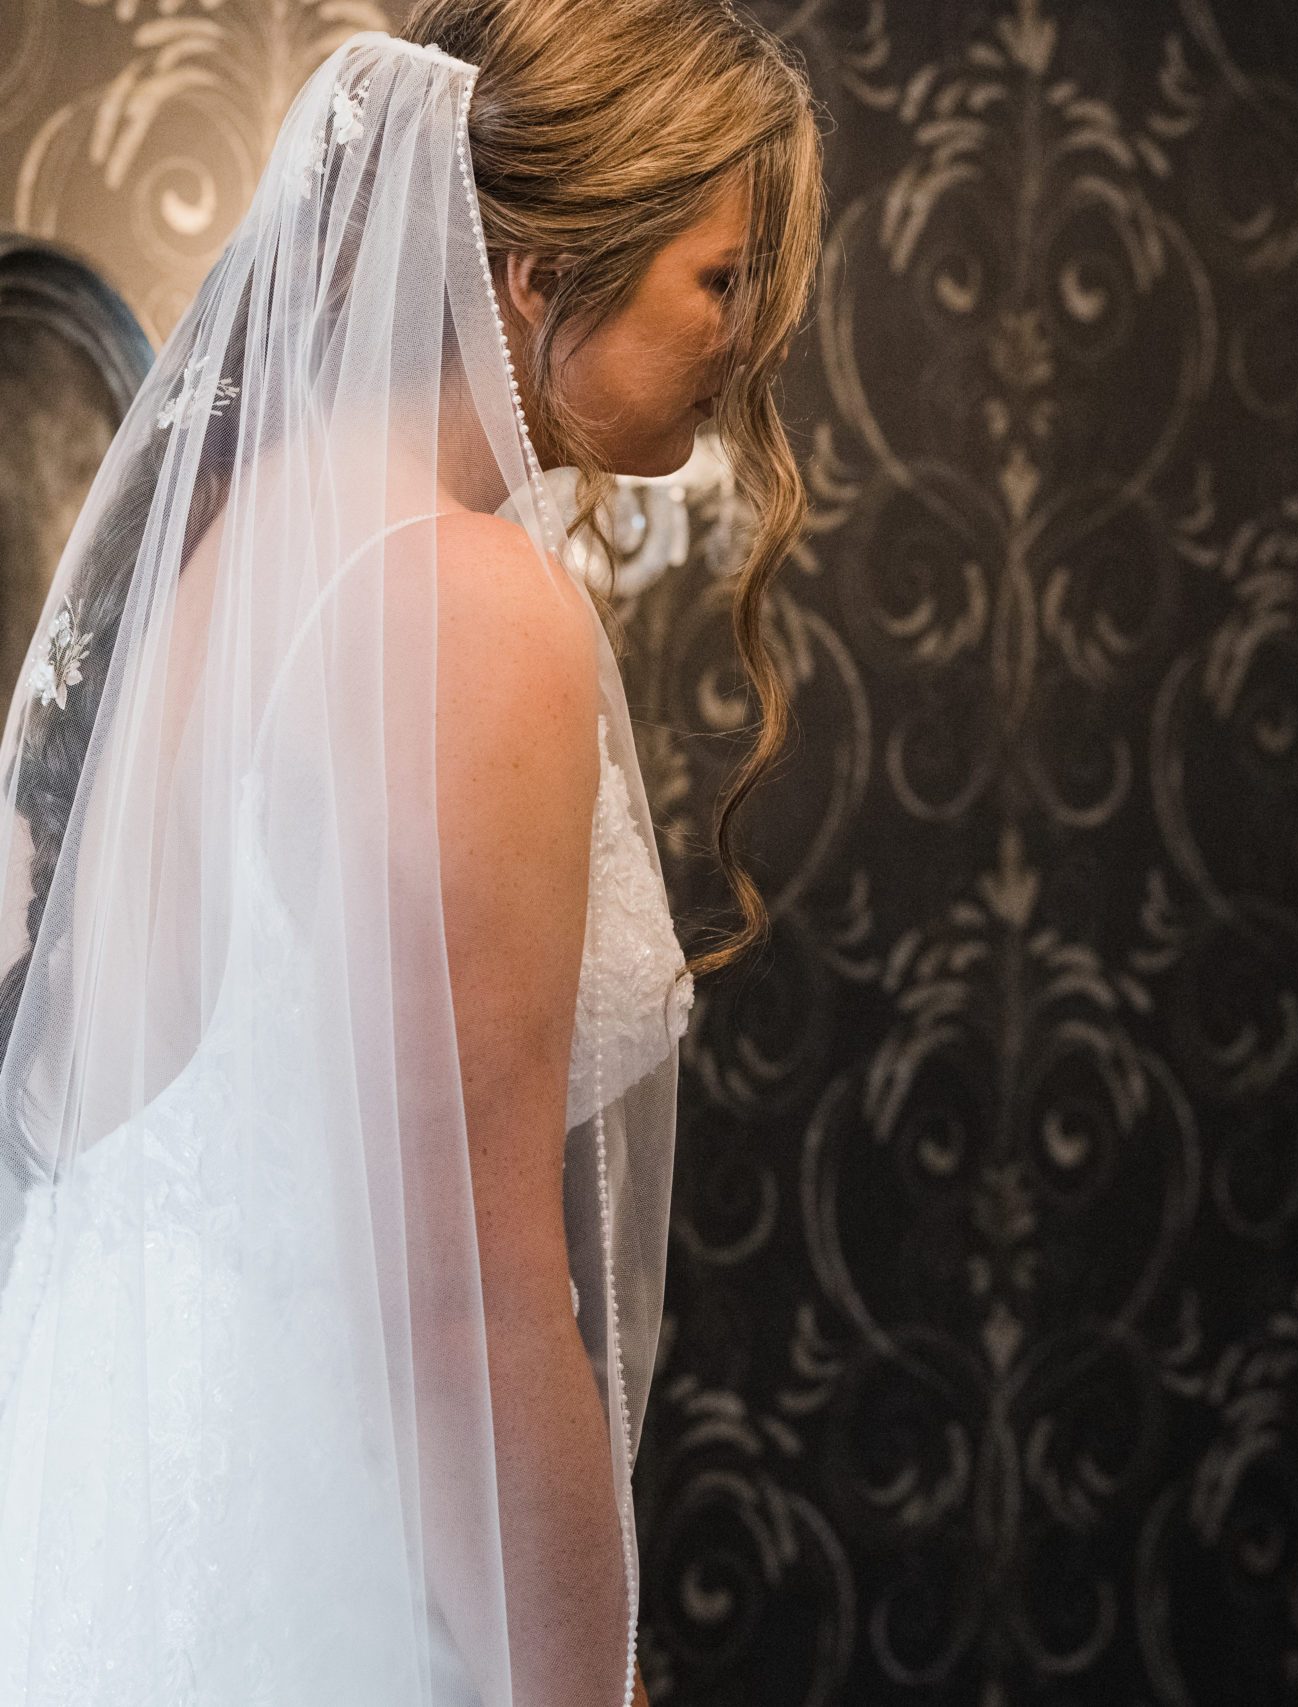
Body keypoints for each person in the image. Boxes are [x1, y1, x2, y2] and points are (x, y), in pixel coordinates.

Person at [0, 5, 820, 1702]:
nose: (749, 344)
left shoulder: (234, 547)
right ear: (533, 273)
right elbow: (468, 1299)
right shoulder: (466, 604)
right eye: (720, 280)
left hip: (108, 1527)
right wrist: (584, 1684)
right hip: (317, 1568)